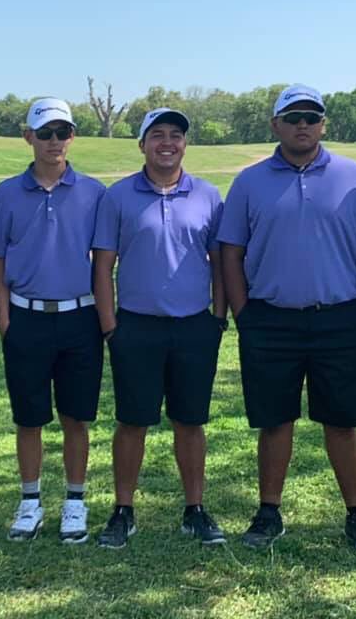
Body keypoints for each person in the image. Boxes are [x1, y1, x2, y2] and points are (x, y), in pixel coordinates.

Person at [218, 84, 356, 554]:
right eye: (293, 118)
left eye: (312, 117)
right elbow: (231, 253)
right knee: (275, 421)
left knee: (342, 421)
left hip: (342, 318)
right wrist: (243, 313)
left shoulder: (355, 178)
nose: (302, 125)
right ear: (275, 125)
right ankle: (268, 512)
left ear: (324, 125)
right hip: (270, 320)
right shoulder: (250, 182)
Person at [92, 108, 227, 549]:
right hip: (135, 326)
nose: (166, 143)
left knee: (190, 422)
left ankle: (195, 509)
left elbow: (222, 263)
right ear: (142, 144)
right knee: (133, 421)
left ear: (185, 144)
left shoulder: (207, 196)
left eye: (175, 135)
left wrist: (217, 318)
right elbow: (104, 265)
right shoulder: (118, 197)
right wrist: (111, 327)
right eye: (157, 135)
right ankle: (123, 511)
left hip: (193, 327)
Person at [0, 98, 105, 543]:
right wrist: (4, 318)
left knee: (76, 417)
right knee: (29, 418)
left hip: (80, 317)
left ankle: (75, 502)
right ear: (28, 137)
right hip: (26, 317)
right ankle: (30, 502)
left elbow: (102, 262)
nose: (54, 141)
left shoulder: (95, 192)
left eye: (62, 132)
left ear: (72, 137)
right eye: (45, 133)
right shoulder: (5, 194)